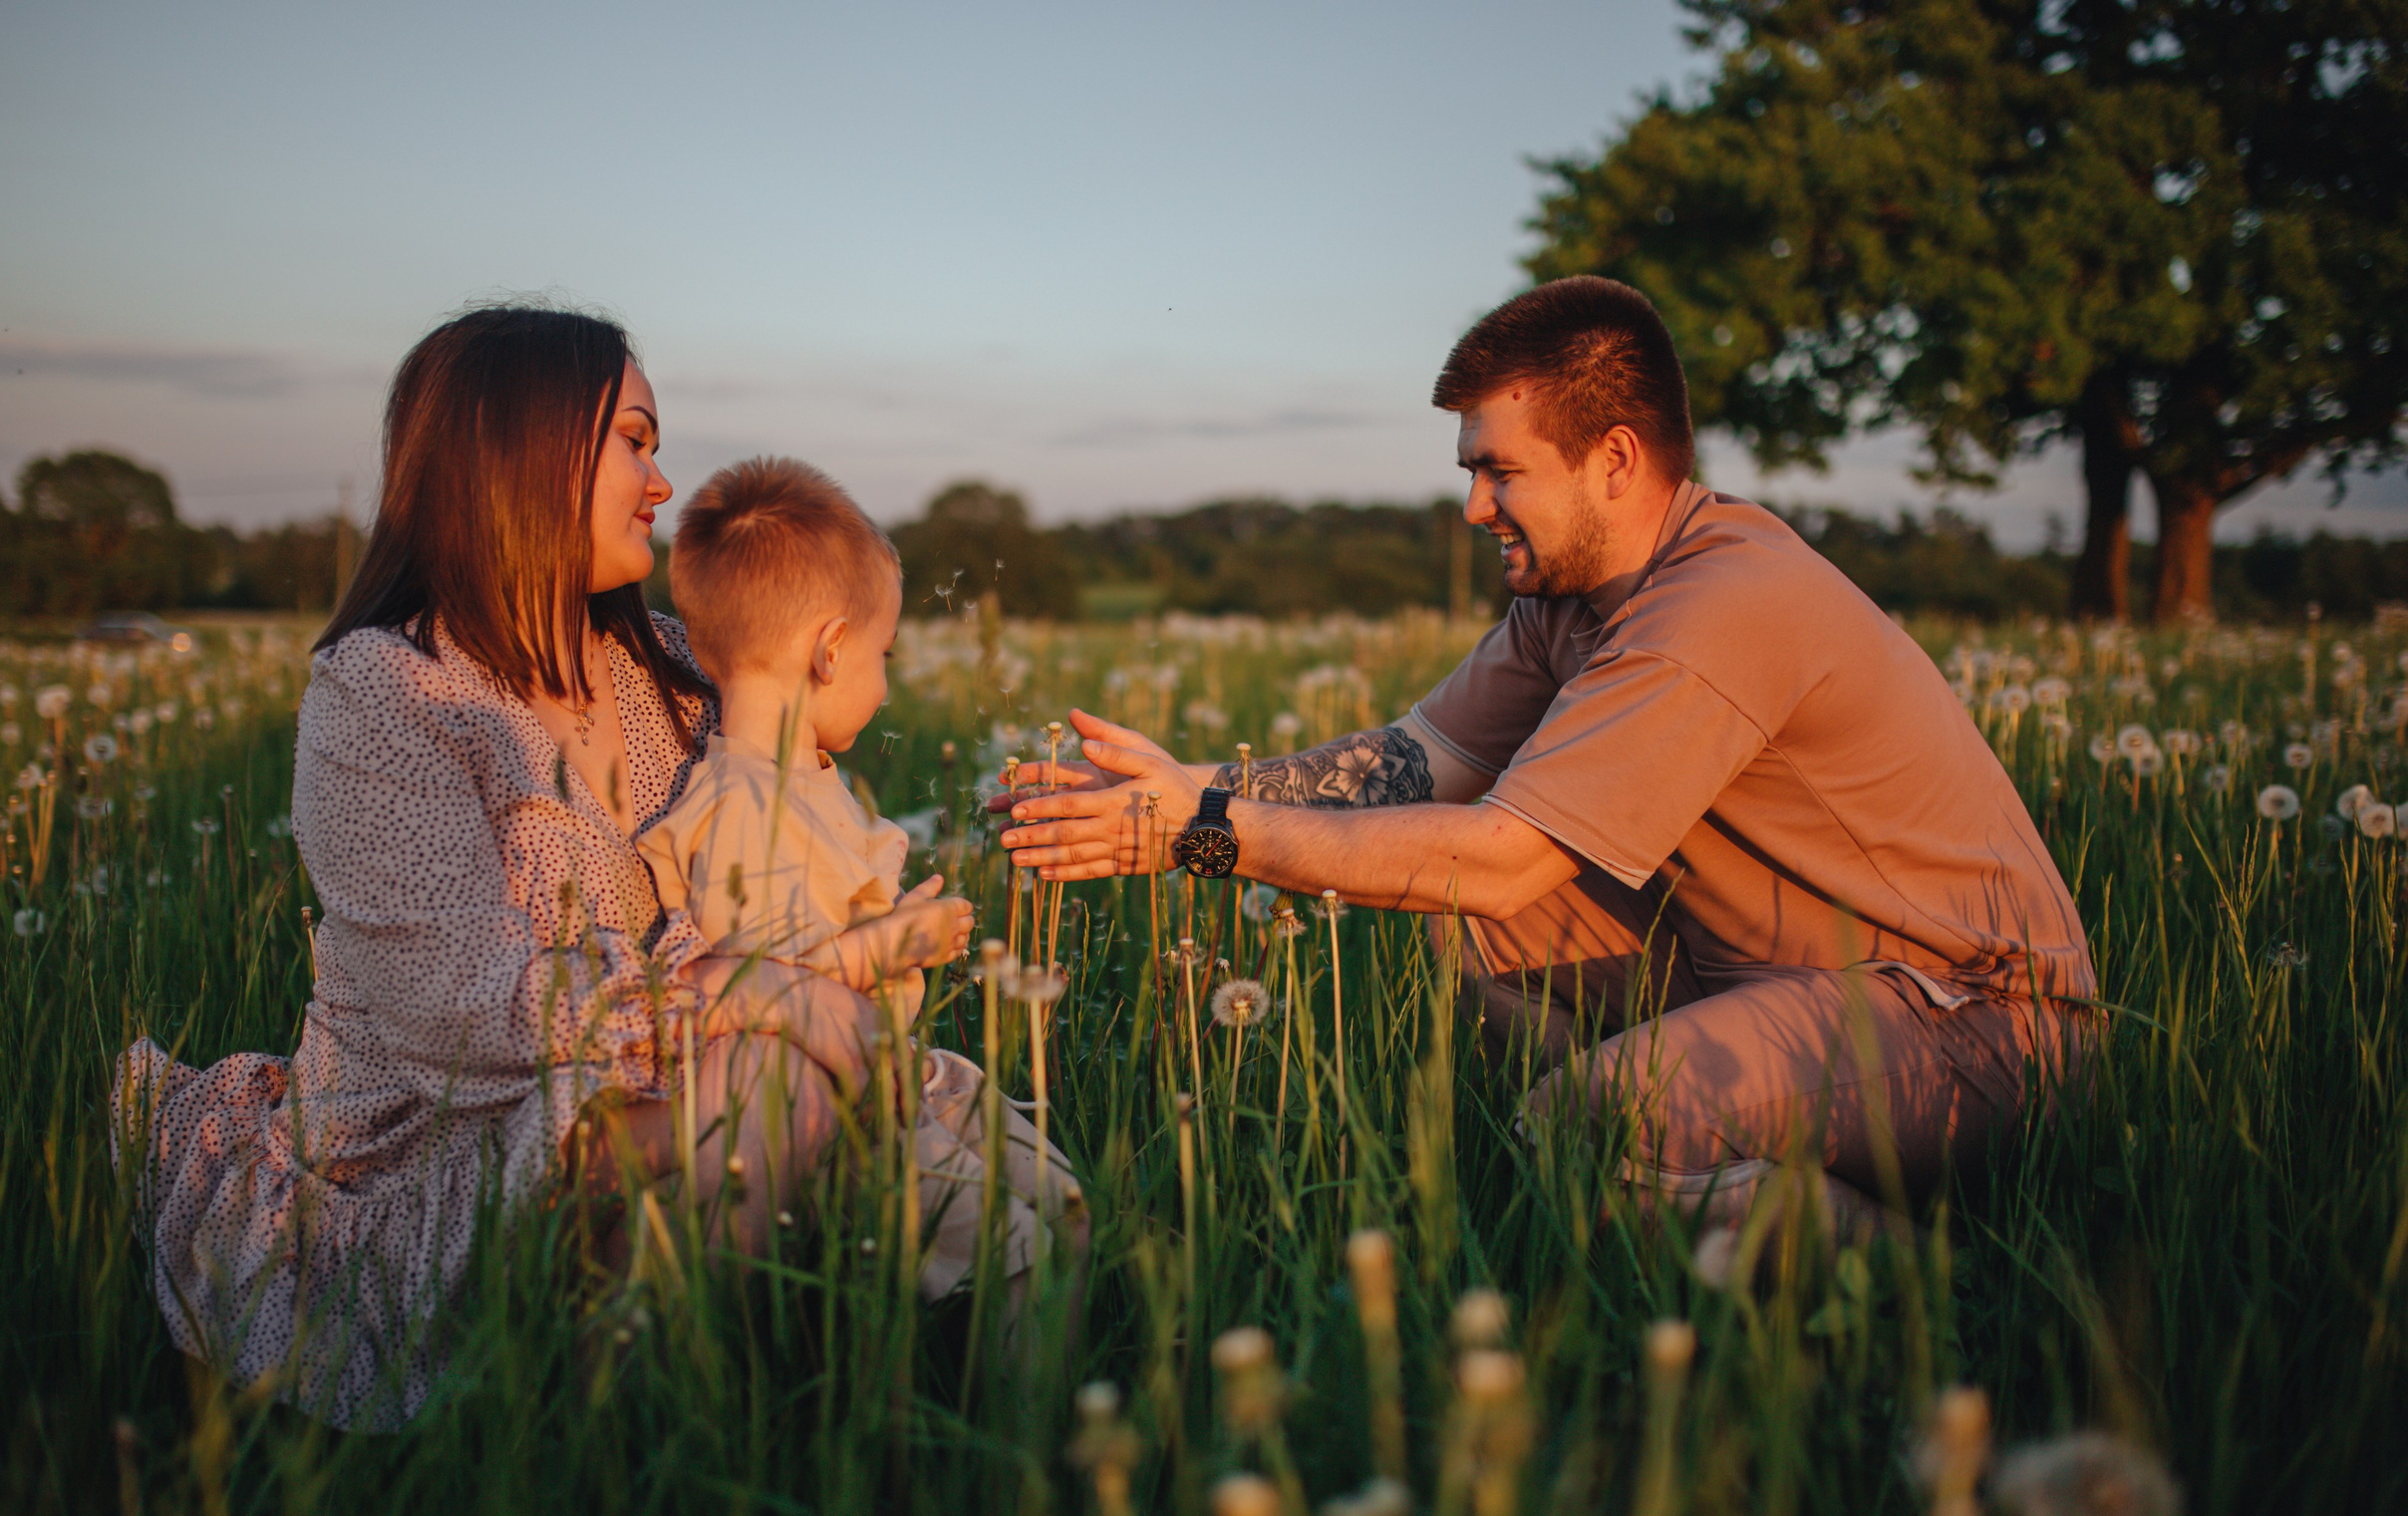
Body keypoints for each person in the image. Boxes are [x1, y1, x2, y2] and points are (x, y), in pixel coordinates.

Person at [998, 277, 2096, 1237]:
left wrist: (1203, 836)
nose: (1474, 506)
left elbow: (1502, 859)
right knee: (1467, 927)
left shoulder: (1720, 605)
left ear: (1613, 460)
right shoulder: (1569, 603)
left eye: (1499, 471)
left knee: (1592, 1112)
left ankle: (1925, 1293)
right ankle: (1664, 1182)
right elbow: (1414, 760)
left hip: (1972, 1020)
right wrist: (1185, 788)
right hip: (1778, 977)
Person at [113, 308, 882, 1429]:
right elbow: (457, 1012)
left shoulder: (676, 669)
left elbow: (802, 821)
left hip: (673, 1077)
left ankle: (703, 1423)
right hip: (440, 1136)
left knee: (798, 1086)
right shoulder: (388, 691)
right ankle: (622, 1456)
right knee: (760, 1091)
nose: (663, 482)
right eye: (633, 440)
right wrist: (734, 991)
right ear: (522, 448)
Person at [637, 455, 1079, 1301]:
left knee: (1067, 1208)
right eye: (884, 652)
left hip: (895, 1070)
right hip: (840, 1113)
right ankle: (1022, 1391)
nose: (885, 683)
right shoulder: (740, 808)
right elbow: (766, 993)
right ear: (830, 650)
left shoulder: (800, 777)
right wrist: (891, 943)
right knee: (1024, 1254)